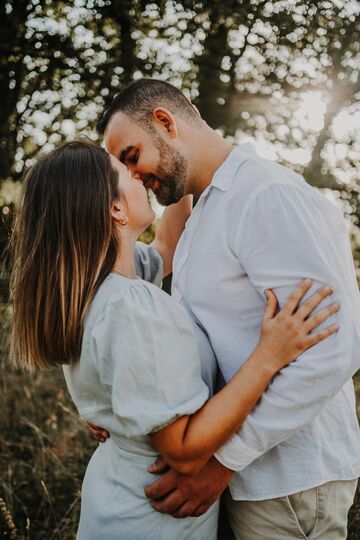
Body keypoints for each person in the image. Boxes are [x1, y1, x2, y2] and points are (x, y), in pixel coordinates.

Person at [10, 141, 338, 540]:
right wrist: (268, 356)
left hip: (118, 492)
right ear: (116, 209)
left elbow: (166, 243)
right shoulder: (130, 308)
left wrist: (180, 154)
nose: (137, 174)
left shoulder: (100, 289)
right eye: (125, 171)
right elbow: (182, 449)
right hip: (152, 515)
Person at [94, 78, 360, 540]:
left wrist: (221, 463)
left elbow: (333, 350)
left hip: (289, 481)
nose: (133, 178)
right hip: (244, 476)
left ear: (164, 122)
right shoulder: (207, 209)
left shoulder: (267, 196)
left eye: (133, 157)